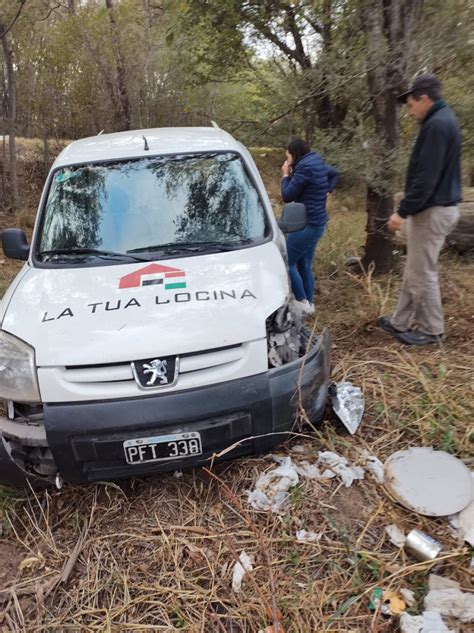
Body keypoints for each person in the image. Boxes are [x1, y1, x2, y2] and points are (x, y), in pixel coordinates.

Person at [379, 73, 461, 345]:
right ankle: (400, 322)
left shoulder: (437, 125)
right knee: (415, 268)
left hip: (432, 210)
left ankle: (431, 330)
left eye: (411, 103)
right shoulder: (441, 120)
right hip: (434, 207)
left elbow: (426, 178)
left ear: (424, 98)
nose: (409, 109)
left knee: (422, 271)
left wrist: (402, 211)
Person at [281, 138, 339, 315]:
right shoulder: (316, 161)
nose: (287, 158)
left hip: (306, 224)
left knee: (287, 263)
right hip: (318, 222)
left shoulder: (304, 168)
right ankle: (310, 305)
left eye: (288, 155)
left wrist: (285, 175)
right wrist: (327, 189)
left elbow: (288, 195)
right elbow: (335, 173)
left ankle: (302, 301)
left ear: (295, 154)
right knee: (304, 263)